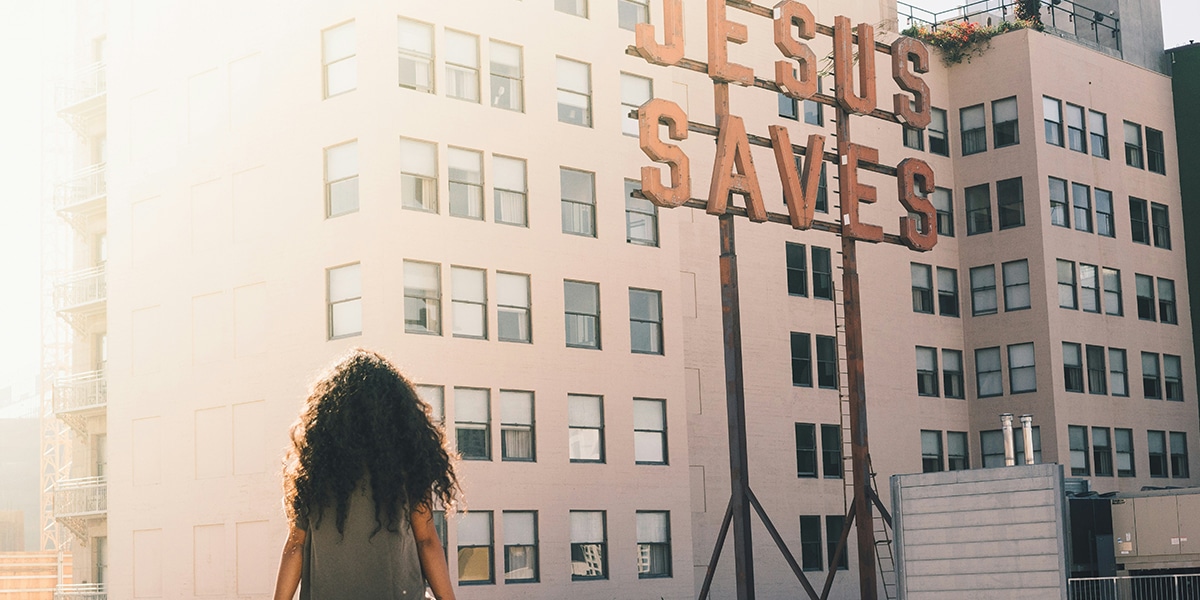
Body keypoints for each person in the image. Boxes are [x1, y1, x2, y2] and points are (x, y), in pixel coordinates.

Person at [272, 349, 460, 600]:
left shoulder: (312, 469)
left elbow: (295, 545)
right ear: (396, 411)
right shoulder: (408, 464)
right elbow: (426, 541)